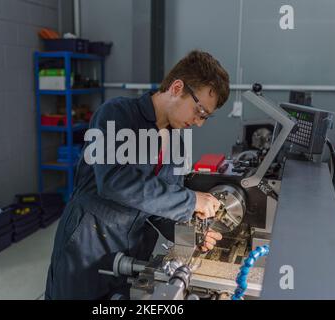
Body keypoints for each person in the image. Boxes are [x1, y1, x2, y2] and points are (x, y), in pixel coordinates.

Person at [45, 50, 231, 300]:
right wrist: (191, 200)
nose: (199, 123)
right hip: (88, 245)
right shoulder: (116, 114)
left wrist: (190, 233)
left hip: (133, 253)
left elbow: (159, 210)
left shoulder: (178, 143)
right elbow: (113, 181)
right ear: (177, 88)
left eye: (206, 117)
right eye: (200, 112)